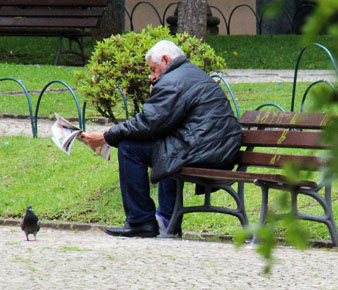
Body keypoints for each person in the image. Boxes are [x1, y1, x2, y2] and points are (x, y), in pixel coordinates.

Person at [81, 40, 242, 238]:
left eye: (153, 69)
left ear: (165, 60)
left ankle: (141, 221)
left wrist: (106, 136)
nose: (152, 76)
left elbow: (149, 122)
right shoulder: (190, 73)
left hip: (207, 150)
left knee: (129, 148)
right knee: (166, 146)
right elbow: (163, 123)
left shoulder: (174, 80)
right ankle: (167, 219)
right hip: (218, 149)